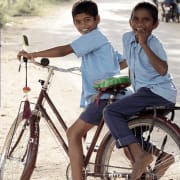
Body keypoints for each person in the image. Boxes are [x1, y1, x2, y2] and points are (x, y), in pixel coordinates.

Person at [17, 1, 133, 179]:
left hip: (104, 97)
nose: (83, 25)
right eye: (78, 22)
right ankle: (159, 156)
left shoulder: (94, 37)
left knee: (73, 133)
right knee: (125, 140)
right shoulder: (102, 40)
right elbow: (121, 62)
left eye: (87, 20)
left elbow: (65, 50)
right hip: (112, 95)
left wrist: (34, 54)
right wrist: (103, 70)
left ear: (97, 19)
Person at [103, 2, 177, 180]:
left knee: (111, 112)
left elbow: (162, 70)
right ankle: (162, 156)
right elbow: (130, 64)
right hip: (145, 93)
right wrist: (110, 79)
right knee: (129, 131)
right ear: (130, 20)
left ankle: (141, 157)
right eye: (135, 18)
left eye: (146, 20)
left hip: (159, 93)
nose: (140, 23)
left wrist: (144, 44)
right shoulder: (127, 38)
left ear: (155, 24)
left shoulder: (154, 43)